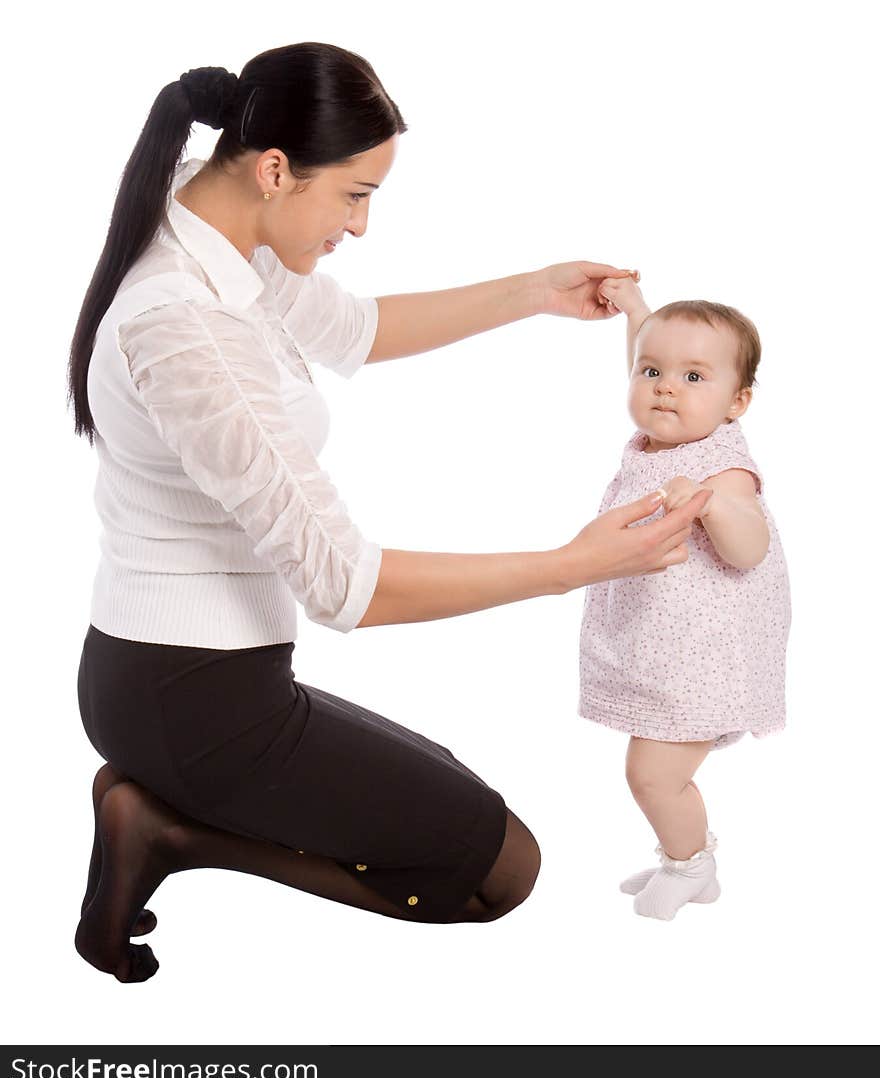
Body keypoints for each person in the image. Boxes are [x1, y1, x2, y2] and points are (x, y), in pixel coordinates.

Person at [69, 42, 712, 983]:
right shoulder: (188, 327)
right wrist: (575, 563)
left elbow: (353, 330)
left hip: (170, 679)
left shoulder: (213, 212)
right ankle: (166, 829)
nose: (362, 225)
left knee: (447, 788)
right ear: (277, 169)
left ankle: (158, 809)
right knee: (497, 869)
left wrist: (536, 293)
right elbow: (346, 585)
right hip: (195, 700)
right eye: (356, 195)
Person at [578, 275, 791, 921]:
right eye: (652, 371)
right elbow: (651, 359)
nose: (665, 386)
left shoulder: (722, 463)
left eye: (695, 376)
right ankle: (682, 852)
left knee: (652, 773)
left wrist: (711, 504)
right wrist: (637, 312)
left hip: (708, 652)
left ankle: (692, 865)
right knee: (651, 764)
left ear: (738, 401)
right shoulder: (661, 435)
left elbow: (749, 546)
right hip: (661, 641)